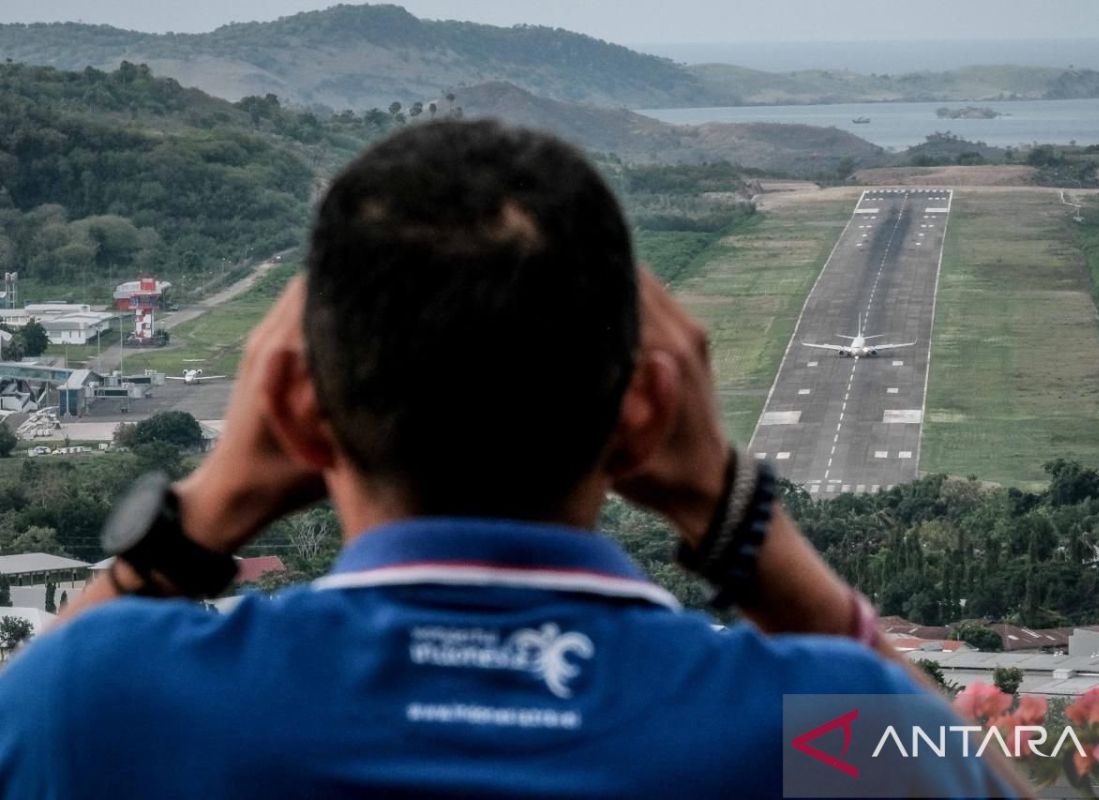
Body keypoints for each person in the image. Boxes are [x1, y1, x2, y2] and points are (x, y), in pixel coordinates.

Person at [0, 120, 1025, 798]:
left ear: (290, 410)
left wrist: (209, 506)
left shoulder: (97, 695)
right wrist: (733, 508)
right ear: (647, 413)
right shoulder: (820, 728)